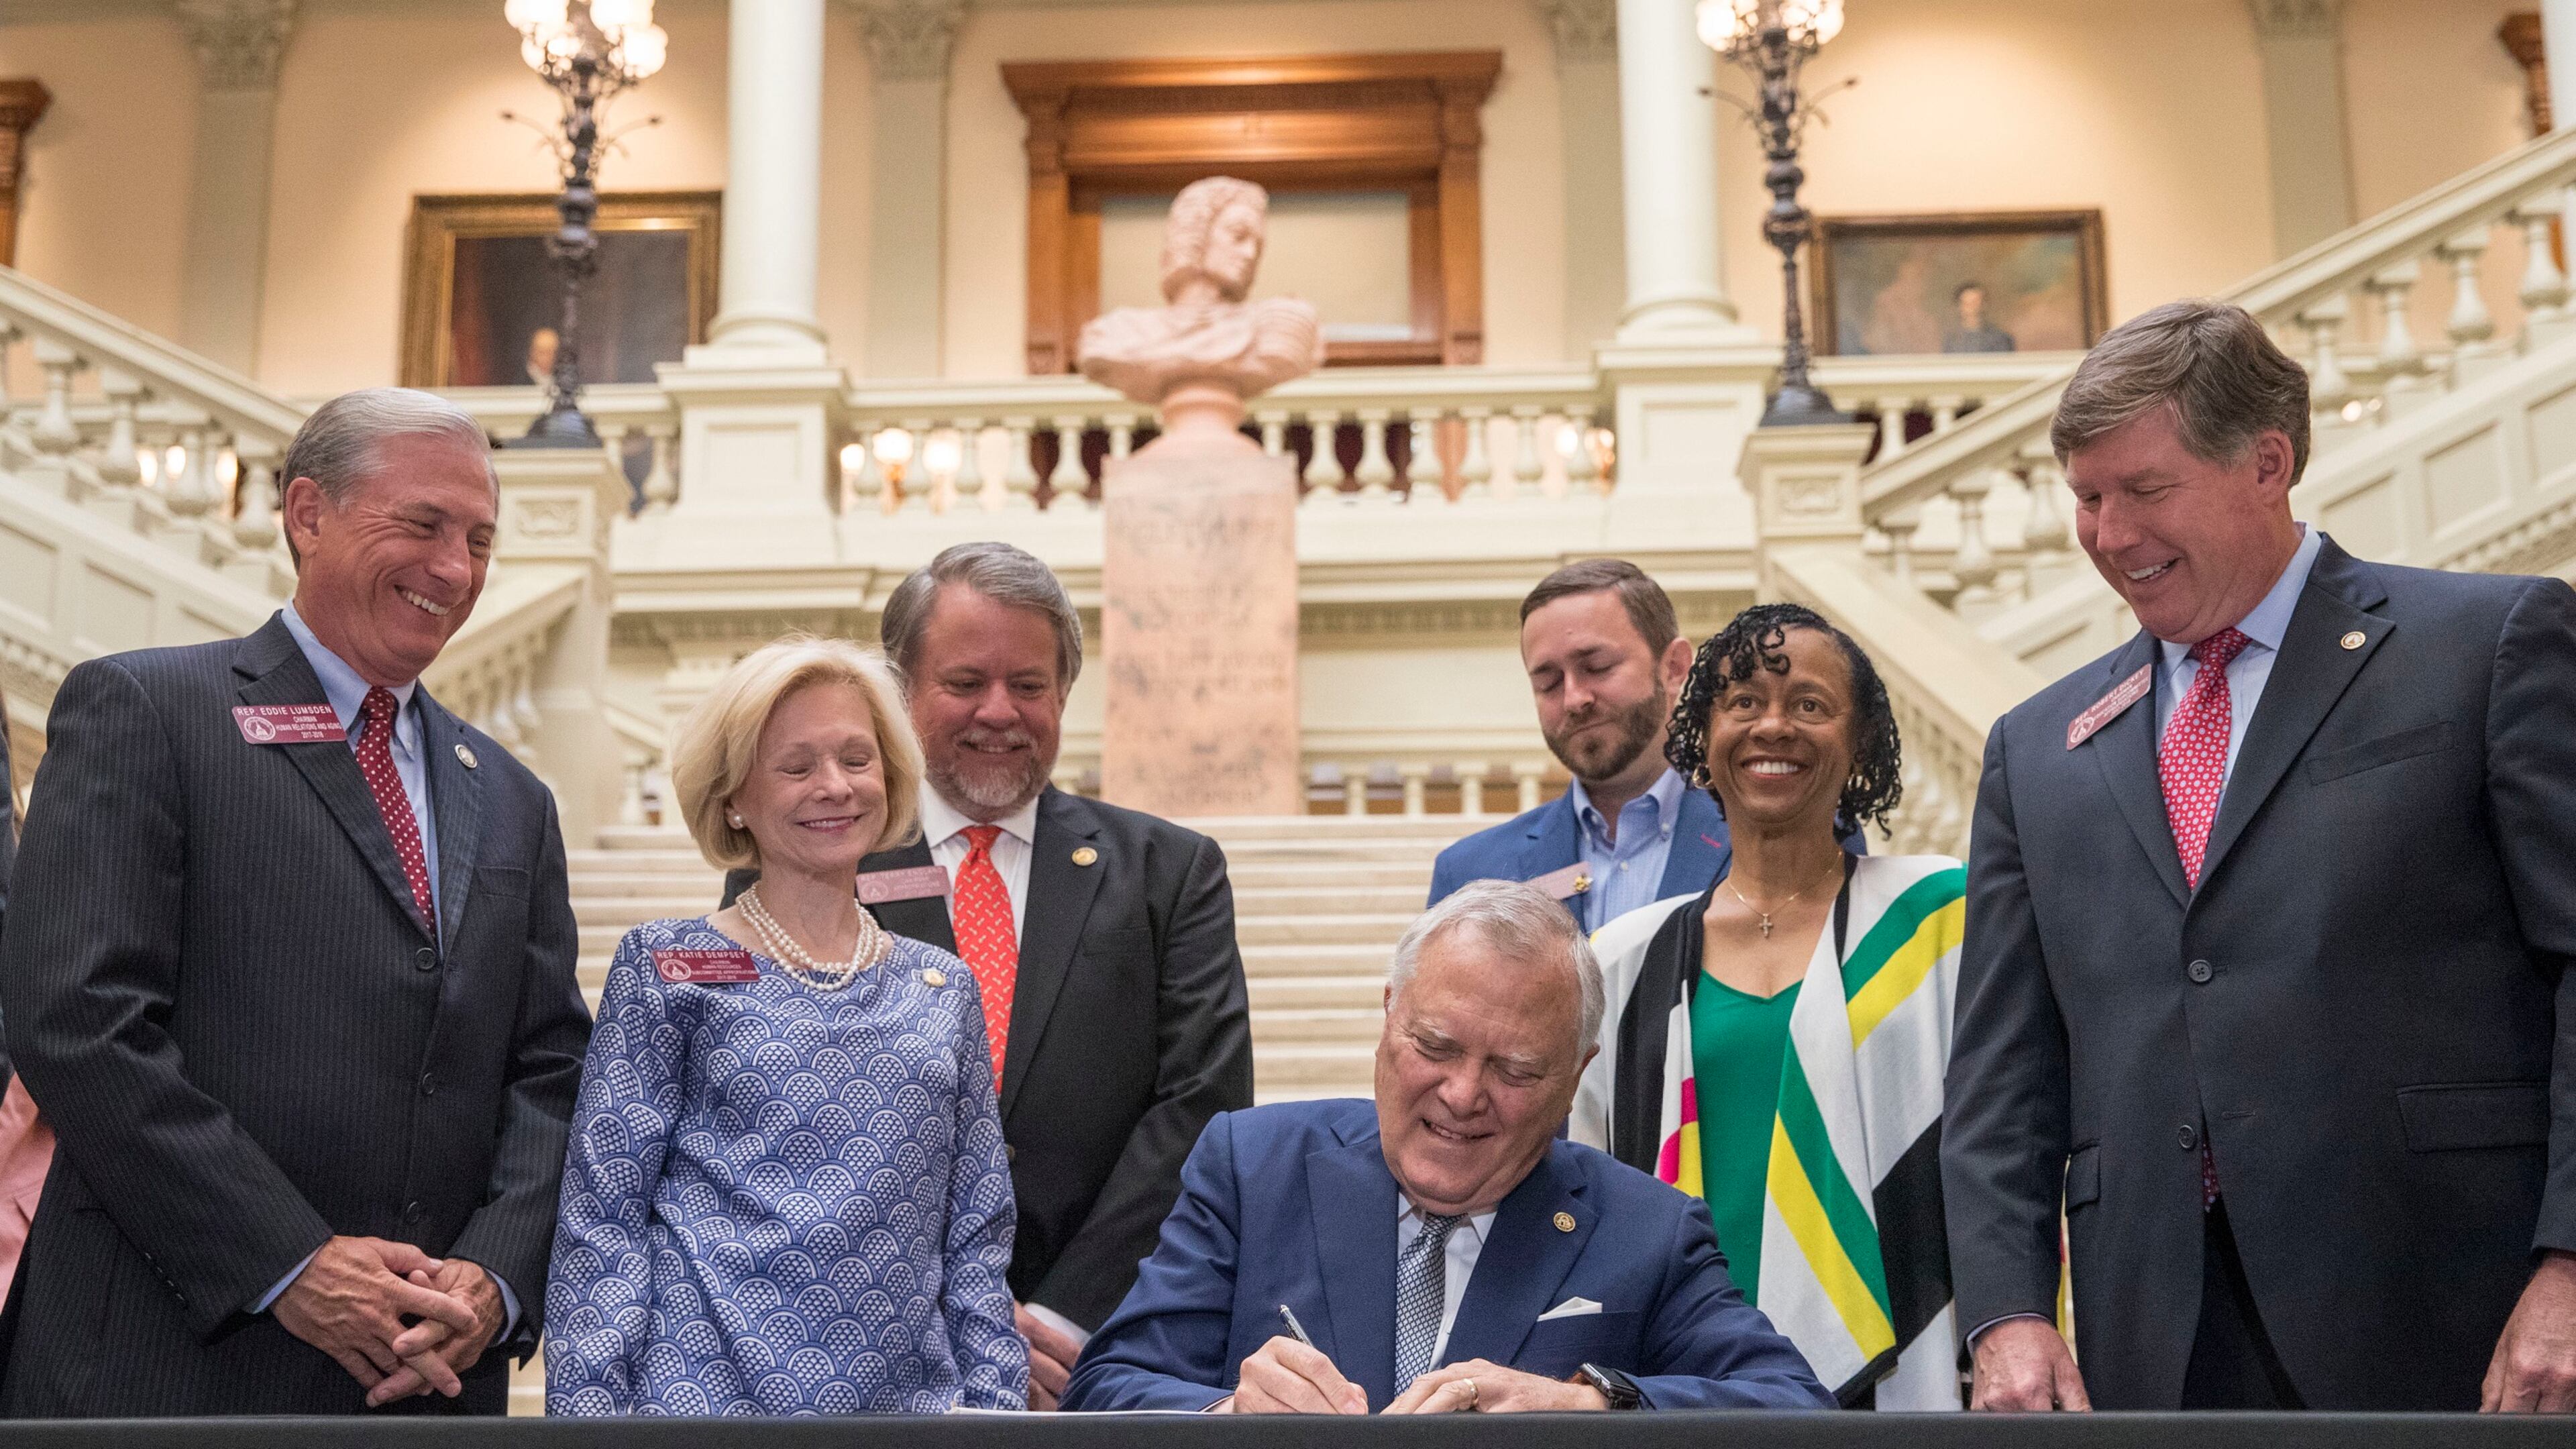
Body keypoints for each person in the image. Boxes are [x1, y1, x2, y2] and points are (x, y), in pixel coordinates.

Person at [1943, 299, 2576, 1412]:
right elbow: (2003, 1073)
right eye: (2087, 499)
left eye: (2145, 490)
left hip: (2455, 1322)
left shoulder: (2490, 645)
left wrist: (2573, 1265)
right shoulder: (2035, 749)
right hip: (2159, 1349)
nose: (2109, 534)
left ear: (2267, 463)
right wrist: (2006, 1313)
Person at [0, 388, 592, 1415]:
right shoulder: (145, 711)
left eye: (479, 540)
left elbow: (549, 1071)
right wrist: (291, 1264)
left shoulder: (513, 797)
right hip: (168, 1377)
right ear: (307, 514)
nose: (454, 569)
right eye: (421, 524)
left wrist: (491, 1281)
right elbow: (77, 1022)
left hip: (426, 1382)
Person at [717, 541, 1254, 1408]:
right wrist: (939, 1312)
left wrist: (1064, 1319)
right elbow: (771, 1127)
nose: (999, 711)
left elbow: (1202, 1108)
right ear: (901, 693)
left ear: (1064, 694)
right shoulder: (799, 859)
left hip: (1101, 1357)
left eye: (1029, 686)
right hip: (868, 1353)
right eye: (965, 684)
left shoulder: (1171, 874)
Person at [1062, 879, 1831, 1414]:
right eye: (1436, 1045)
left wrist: (1591, 1403)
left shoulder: (1649, 1230)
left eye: (1516, 1069)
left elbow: (1794, 1406)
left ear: (1576, 1078)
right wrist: (1228, 1414)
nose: (1463, 1095)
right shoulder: (1251, 1165)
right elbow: (1108, 1386)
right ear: (1389, 1016)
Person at [547, 637, 1025, 1414]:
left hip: (907, 1424)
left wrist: (998, 1420)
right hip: (697, 1420)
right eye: (796, 767)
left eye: (856, 759)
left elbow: (977, 1241)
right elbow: (603, 1224)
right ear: (735, 795)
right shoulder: (667, 966)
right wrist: (588, 1429)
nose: (833, 787)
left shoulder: (943, 987)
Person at [1576, 603, 1964, 1409]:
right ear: (1702, 739)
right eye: (1743, 702)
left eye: (1811, 705)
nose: (1773, 726)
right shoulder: (1623, 957)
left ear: (1860, 744)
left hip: (1903, 1353)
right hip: (1679, 1369)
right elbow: (1580, 1186)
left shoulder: (1940, 920)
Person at [1428, 561, 1725, 926]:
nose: (1574, 699)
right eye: (1549, 683)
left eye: (1597, 666)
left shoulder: (1759, 842)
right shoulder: (1470, 876)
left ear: (1674, 668)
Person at [1943, 283, 2017, 354]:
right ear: (1959, 307)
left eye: (1976, 303)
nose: (1972, 308)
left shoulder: (2000, 338)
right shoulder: (1951, 340)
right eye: (1967, 304)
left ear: (1984, 305)